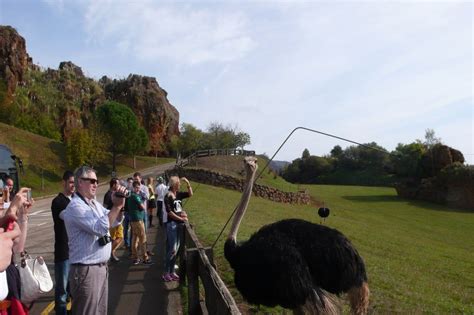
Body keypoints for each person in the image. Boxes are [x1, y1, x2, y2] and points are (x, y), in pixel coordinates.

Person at [60, 166, 126, 315]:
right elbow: (100, 228)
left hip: (100, 267)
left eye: (96, 181)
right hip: (86, 270)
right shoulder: (76, 206)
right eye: (91, 181)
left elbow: (114, 221)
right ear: (80, 182)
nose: (96, 184)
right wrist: (116, 206)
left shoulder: (93, 203)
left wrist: (120, 205)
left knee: (100, 311)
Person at [51, 171, 74, 315]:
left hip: (75, 252)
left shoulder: (76, 199)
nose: (73, 186)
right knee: (62, 292)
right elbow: (68, 216)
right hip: (63, 252)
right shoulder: (58, 201)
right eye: (71, 182)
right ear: (63, 182)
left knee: (74, 290)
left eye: (74, 183)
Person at [162, 176, 192, 282]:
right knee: (172, 249)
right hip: (172, 225)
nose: (180, 185)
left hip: (179, 224)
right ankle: (166, 272)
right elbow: (169, 212)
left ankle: (172, 272)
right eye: (179, 183)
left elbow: (190, 194)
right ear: (174, 184)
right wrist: (181, 219)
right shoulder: (168, 196)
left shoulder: (178, 194)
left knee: (177, 249)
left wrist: (188, 183)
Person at [127, 181, 152, 265]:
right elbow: (143, 207)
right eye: (136, 187)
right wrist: (142, 206)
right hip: (138, 220)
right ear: (133, 187)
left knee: (135, 239)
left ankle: (135, 257)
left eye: (139, 187)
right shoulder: (135, 196)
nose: (138, 189)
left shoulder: (130, 195)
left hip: (133, 220)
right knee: (142, 238)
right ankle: (145, 258)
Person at [103, 178, 124, 262]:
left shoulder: (116, 193)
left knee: (120, 237)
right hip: (111, 220)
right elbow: (104, 207)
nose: (119, 186)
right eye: (117, 184)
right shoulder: (108, 195)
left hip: (118, 220)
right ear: (114, 185)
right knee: (112, 238)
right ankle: (109, 253)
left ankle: (111, 252)